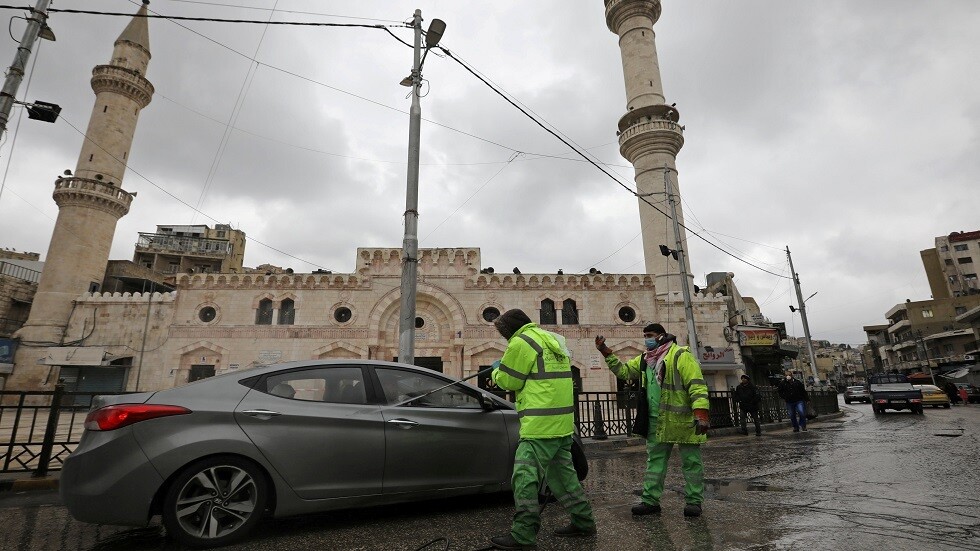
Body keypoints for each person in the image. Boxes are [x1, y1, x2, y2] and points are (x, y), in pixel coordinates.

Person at [489, 309, 596, 550]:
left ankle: (523, 535)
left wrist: (496, 369)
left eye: (502, 330)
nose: (503, 335)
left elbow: (509, 381)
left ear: (509, 328)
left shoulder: (521, 342)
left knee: (524, 478)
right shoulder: (552, 339)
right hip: (562, 424)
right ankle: (584, 521)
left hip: (539, 425)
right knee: (564, 478)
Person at [596, 323, 710, 518]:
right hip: (655, 421)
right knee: (654, 463)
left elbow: (696, 385)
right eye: (645, 335)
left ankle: (693, 501)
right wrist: (606, 352)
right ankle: (650, 501)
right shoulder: (645, 360)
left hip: (682, 420)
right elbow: (624, 373)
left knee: (691, 462)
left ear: (661, 336)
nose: (646, 339)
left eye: (649, 335)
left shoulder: (680, 355)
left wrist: (700, 413)